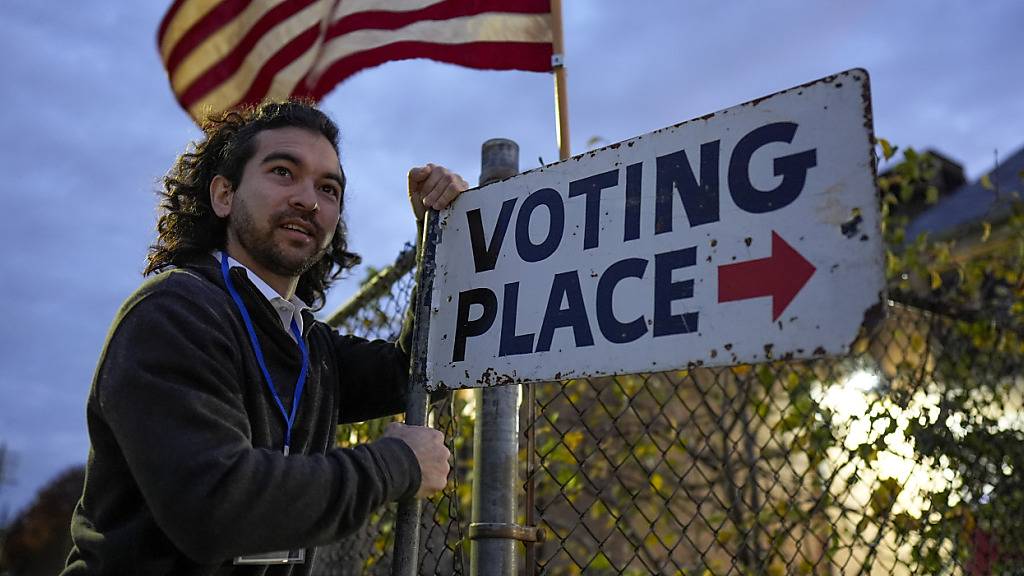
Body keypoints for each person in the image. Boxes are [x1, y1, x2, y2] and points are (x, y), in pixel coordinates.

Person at [61, 100, 469, 575]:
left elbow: (418, 368)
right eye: (282, 171)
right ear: (223, 195)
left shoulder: (308, 344)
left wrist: (442, 237)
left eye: (328, 188)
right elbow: (216, 508)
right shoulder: (172, 314)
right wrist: (394, 464)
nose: (308, 200)